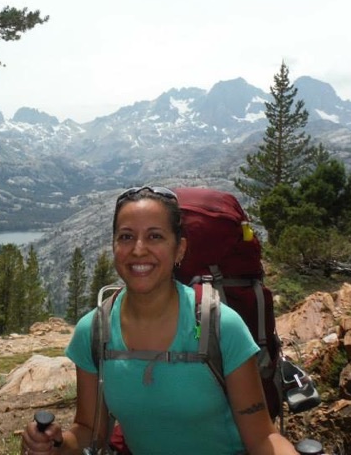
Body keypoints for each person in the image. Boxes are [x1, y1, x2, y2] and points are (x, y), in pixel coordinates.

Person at [21, 186, 299, 455]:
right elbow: (89, 431)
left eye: (155, 237)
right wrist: (55, 445)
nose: (138, 249)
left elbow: (263, 438)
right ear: (114, 247)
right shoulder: (94, 331)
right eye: (126, 237)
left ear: (180, 249)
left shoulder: (221, 326)